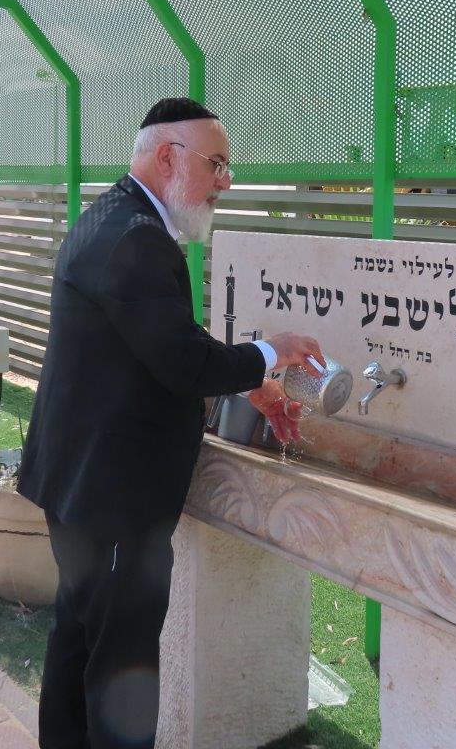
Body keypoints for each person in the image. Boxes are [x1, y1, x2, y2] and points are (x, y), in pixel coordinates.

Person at [18, 97, 323, 749]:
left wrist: (250, 383)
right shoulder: (138, 239)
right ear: (167, 157)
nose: (225, 181)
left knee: (78, 636)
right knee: (120, 666)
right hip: (113, 497)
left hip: (77, 480)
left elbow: (154, 342)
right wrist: (272, 353)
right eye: (217, 163)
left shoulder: (110, 216)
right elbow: (182, 362)